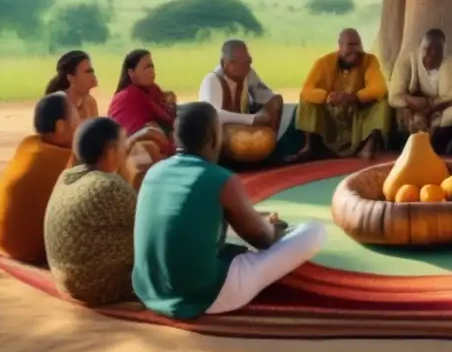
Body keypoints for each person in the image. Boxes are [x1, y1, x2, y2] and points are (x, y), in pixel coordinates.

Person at [133, 103, 326, 319]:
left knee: (225, 227)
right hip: (206, 296)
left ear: (176, 139)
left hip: (149, 289)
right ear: (215, 139)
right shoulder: (222, 179)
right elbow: (263, 239)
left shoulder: (153, 172)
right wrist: (278, 229)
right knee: (315, 231)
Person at [44, 117, 136, 307]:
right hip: (97, 287)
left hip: (66, 282)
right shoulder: (109, 186)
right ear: (110, 150)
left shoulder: (66, 176)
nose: (126, 151)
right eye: (123, 145)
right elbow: (149, 223)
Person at [0, 93, 77, 263]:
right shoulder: (66, 159)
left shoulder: (28, 144)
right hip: (25, 247)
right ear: (61, 127)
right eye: (77, 121)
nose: (80, 126)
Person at [292, 29, 392, 161]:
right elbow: (307, 90)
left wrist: (354, 97)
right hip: (331, 116)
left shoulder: (370, 61)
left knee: (382, 102)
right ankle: (309, 148)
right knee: (306, 100)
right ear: (340, 45)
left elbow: (379, 88)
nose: (355, 49)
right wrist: (328, 97)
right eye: (350, 45)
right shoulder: (323, 63)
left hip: (357, 114)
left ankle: (368, 147)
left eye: (358, 45)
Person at [198, 39, 295, 161]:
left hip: (244, 127)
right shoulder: (212, 80)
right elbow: (213, 113)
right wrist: (253, 119)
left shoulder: (248, 74)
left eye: (249, 61)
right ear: (226, 64)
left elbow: (265, 96)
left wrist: (270, 109)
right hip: (222, 133)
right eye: (244, 63)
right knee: (242, 143)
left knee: (276, 101)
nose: (248, 66)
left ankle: (270, 154)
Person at [388, 29, 452, 144]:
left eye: (438, 50)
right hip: (415, 110)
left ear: (445, 52)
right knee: (417, 121)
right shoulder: (407, 62)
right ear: (421, 48)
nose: (433, 53)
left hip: (445, 110)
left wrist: (436, 105)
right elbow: (394, 96)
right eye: (428, 49)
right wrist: (413, 101)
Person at [107, 49, 177, 156]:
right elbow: (132, 134)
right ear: (131, 73)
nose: (152, 71)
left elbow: (166, 114)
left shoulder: (152, 89)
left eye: (152, 66)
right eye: (147, 67)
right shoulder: (127, 96)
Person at [45, 50, 99, 120]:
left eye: (92, 71)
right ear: (71, 78)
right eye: (88, 71)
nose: (93, 75)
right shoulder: (58, 106)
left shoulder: (90, 102)